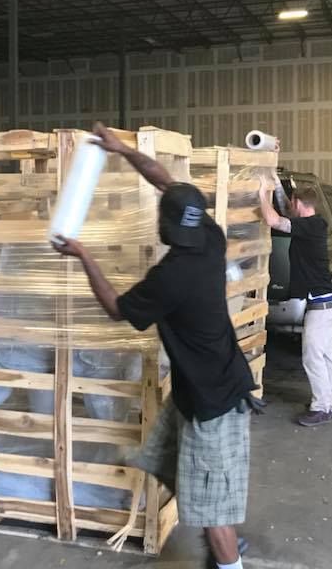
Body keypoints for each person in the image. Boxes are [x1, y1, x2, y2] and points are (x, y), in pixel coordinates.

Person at [52, 123, 260, 569]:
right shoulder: (210, 238)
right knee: (174, 466)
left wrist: (83, 254)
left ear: (163, 224)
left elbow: (115, 308)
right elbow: (166, 182)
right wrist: (121, 149)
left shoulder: (170, 278)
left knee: (210, 510)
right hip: (204, 388)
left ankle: (227, 555)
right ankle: (222, 538)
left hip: (211, 403)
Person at [258, 174, 332, 427]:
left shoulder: (309, 227)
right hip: (329, 303)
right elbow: (286, 210)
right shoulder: (313, 224)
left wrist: (261, 194)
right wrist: (274, 181)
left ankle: (321, 407)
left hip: (321, 307)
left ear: (299, 204)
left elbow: (274, 219)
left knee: (312, 356)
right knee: (326, 355)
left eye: (292, 203)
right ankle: (330, 403)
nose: (289, 207)